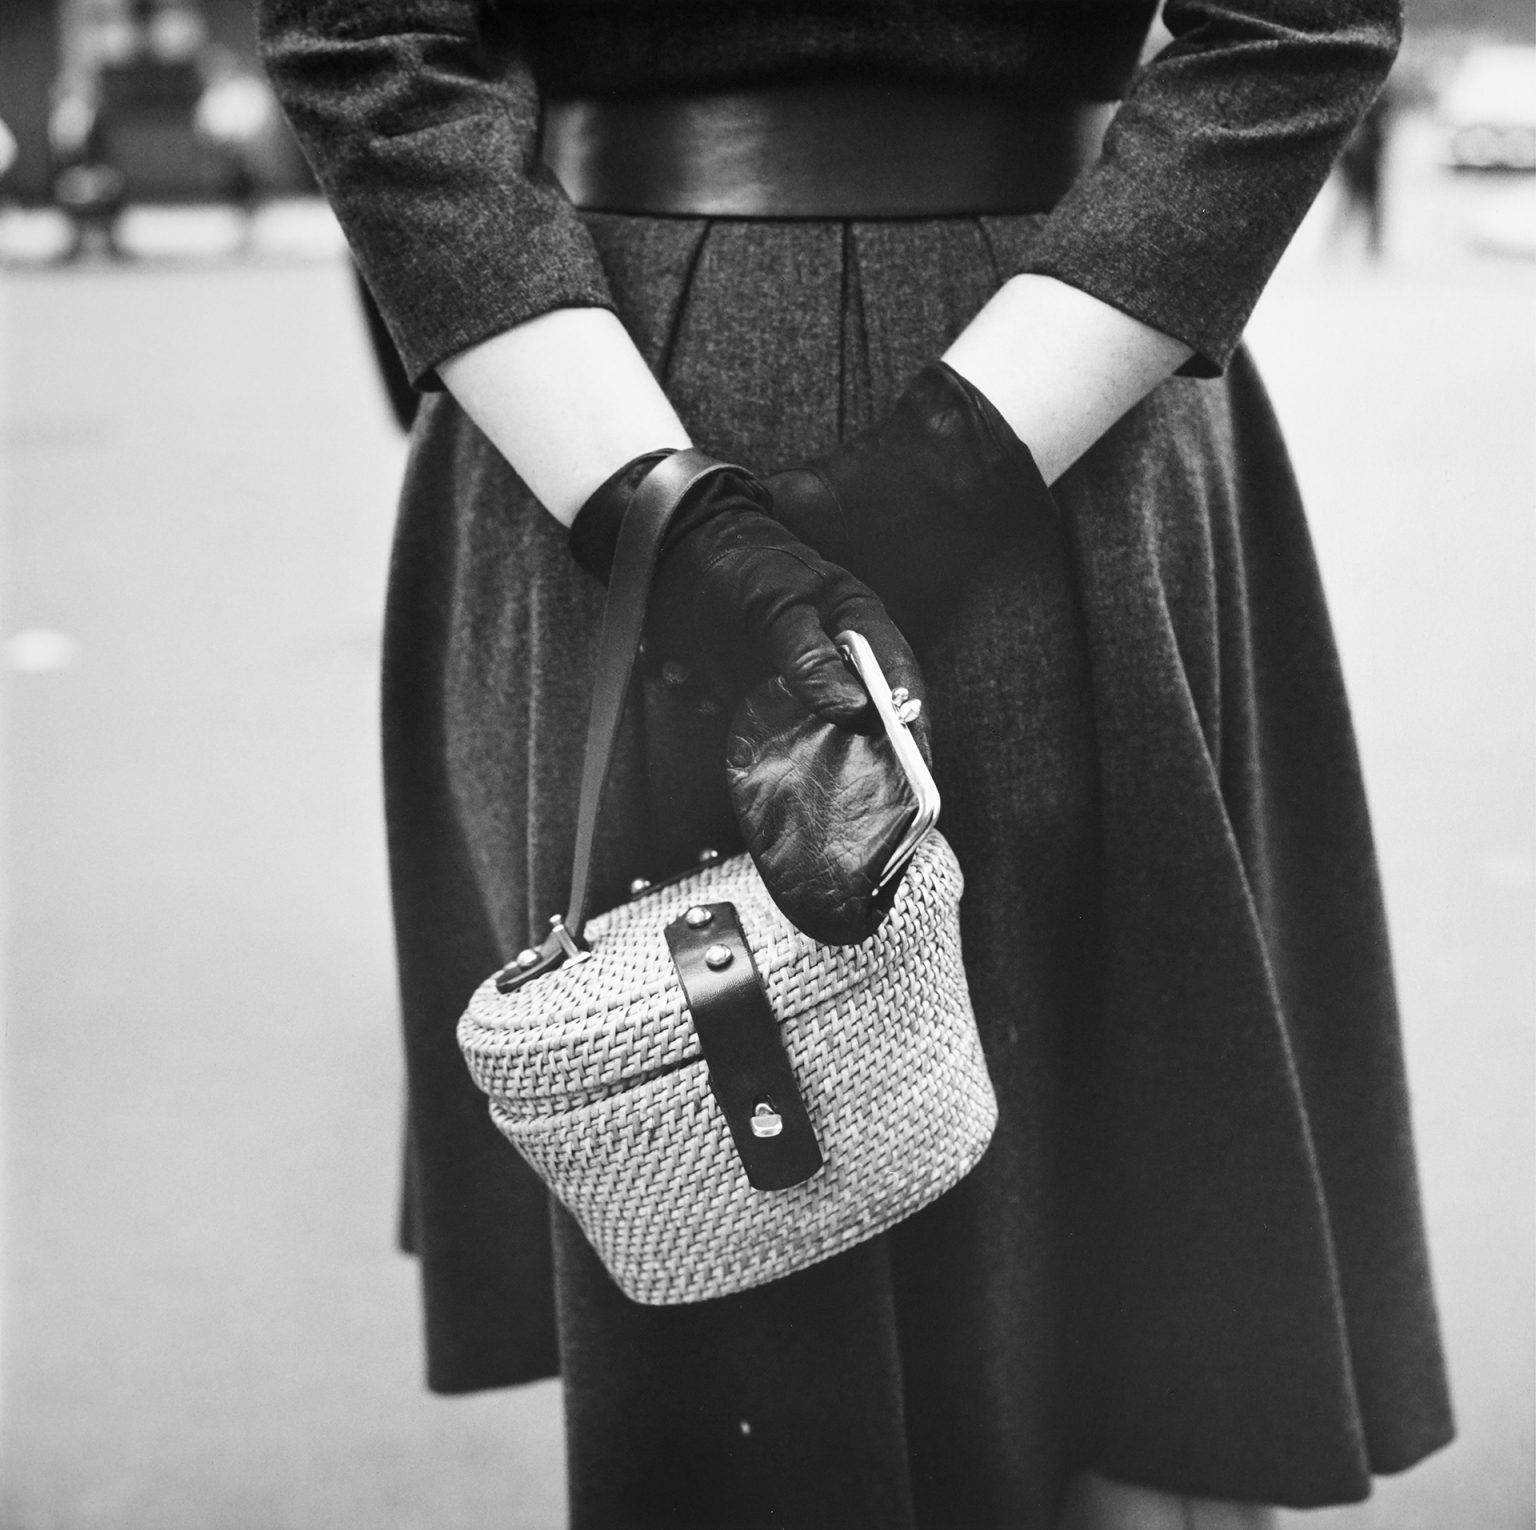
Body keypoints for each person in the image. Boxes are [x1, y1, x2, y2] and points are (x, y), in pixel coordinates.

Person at [257, 3, 1455, 1527]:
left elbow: (369, 45)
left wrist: (683, 518)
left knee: (808, 1305)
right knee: (890, 1251)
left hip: (633, 426)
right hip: (1032, 393)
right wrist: (901, 479)